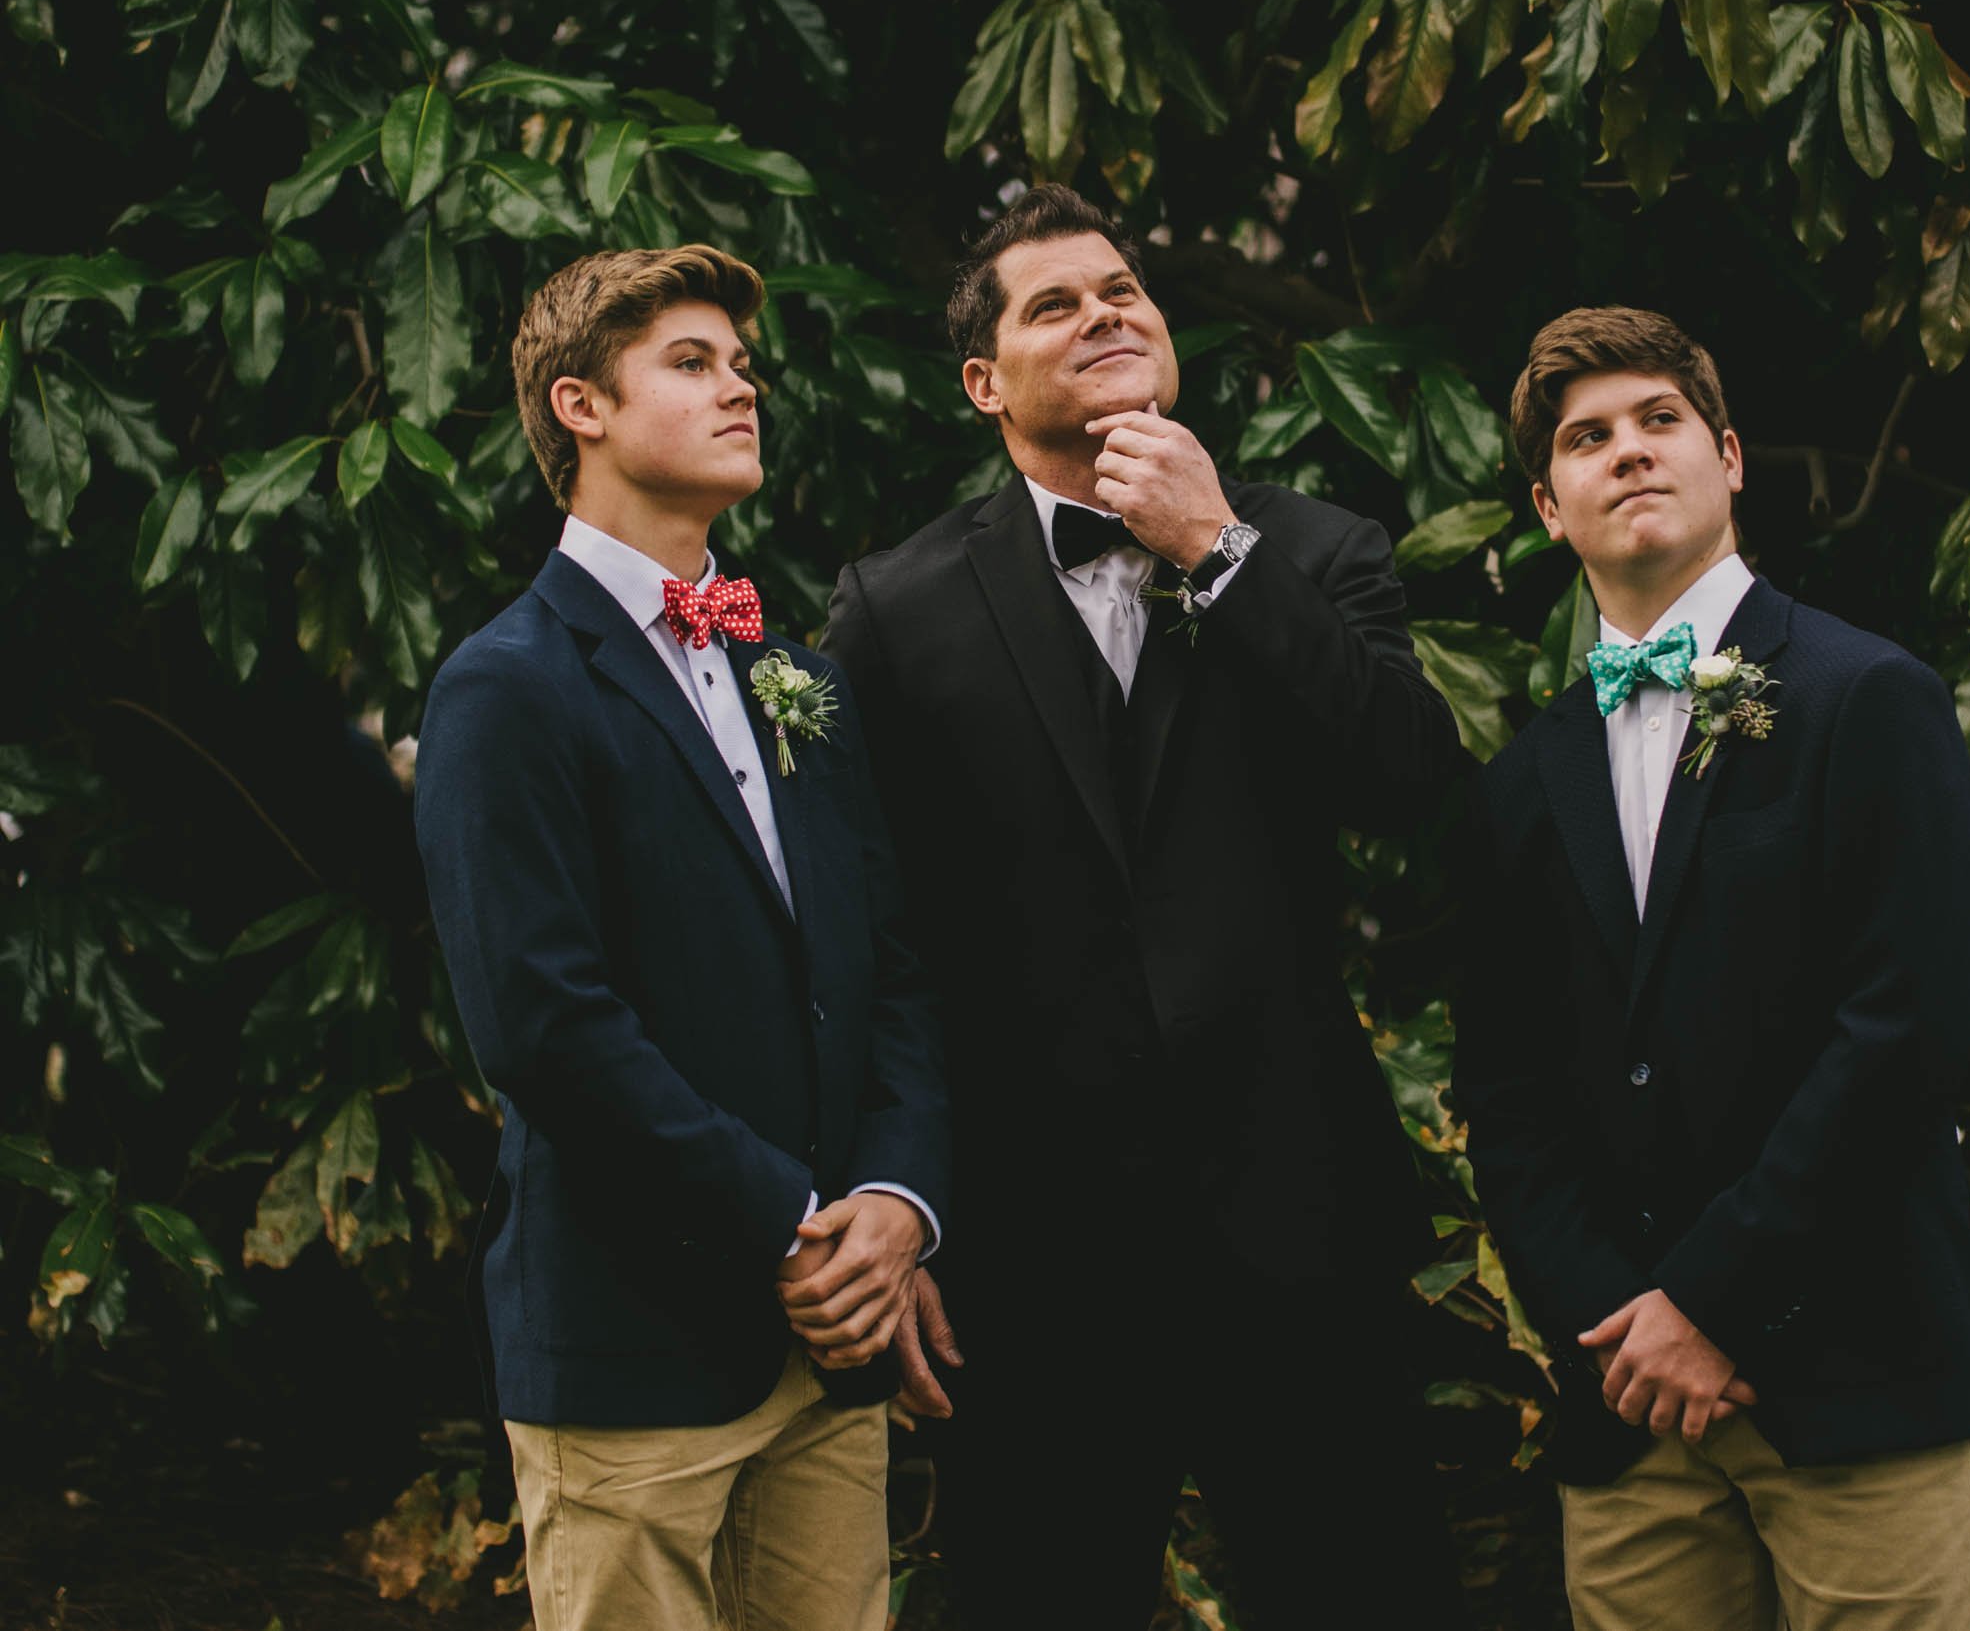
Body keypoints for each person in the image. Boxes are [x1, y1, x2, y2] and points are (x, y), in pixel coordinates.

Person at [820, 185, 1468, 1628]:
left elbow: (1411, 779)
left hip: (1299, 1224)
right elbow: (866, 938)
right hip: (1034, 1256)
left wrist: (1215, 552)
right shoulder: (893, 605)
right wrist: (898, 1193)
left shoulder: (1313, 546)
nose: (1109, 309)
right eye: (1057, 302)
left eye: (1124, 288)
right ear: (986, 381)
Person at [414, 243, 949, 1631]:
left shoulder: (794, 676)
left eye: (744, 364)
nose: (741, 388)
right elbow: (543, 1023)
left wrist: (897, 1203)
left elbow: (887, 969)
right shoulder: (506, 686)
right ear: (581, 407)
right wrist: (787, 1219)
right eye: (694, 362)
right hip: (631, 1345)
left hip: (828, 1349)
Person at [1454, 306, 1970, 1631]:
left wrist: (1712, 1298)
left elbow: (1903, 1032)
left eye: (1661, 421)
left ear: (1732, 457)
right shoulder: (1524, 780)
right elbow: (1511, 1092)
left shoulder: (1868, 699)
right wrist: (1619, 1321)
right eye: (1589, 439)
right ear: (1548, 504)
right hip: (1632, 1410)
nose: (1629, 452)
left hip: (1861, 1376)